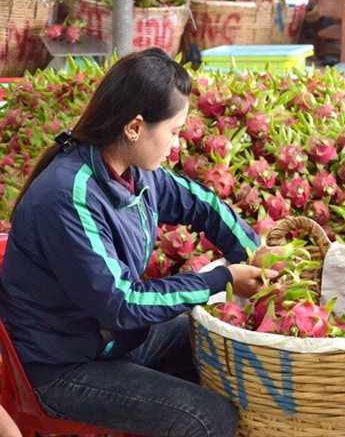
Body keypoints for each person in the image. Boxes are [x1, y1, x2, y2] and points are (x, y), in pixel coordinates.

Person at [0, 48, 277, 436]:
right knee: (209, 418)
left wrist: (252, 252)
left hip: (114, 342)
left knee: (217, 347)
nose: (177, 144)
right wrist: (221, 279)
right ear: (134, 127)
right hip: (65, 369)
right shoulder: (68, 197)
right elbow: (122, 304)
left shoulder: (133, 170)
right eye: (174, 131)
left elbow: (201, 205)